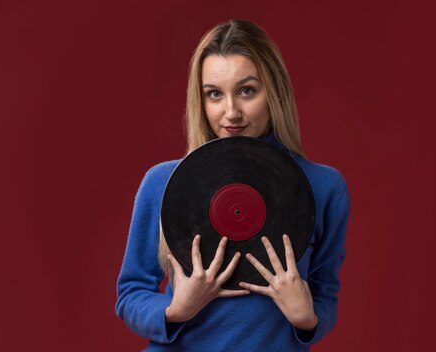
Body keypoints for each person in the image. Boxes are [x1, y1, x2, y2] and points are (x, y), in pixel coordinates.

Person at [115, 19, 350, 351]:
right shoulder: (161, 183)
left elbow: (325, 295)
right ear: (201, 101)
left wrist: (308, 317)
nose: (231, 112)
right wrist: (176, 310)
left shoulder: (324, 187)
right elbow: (131, 293)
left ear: (275, 92)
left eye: (247, 90)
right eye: (214, 94)